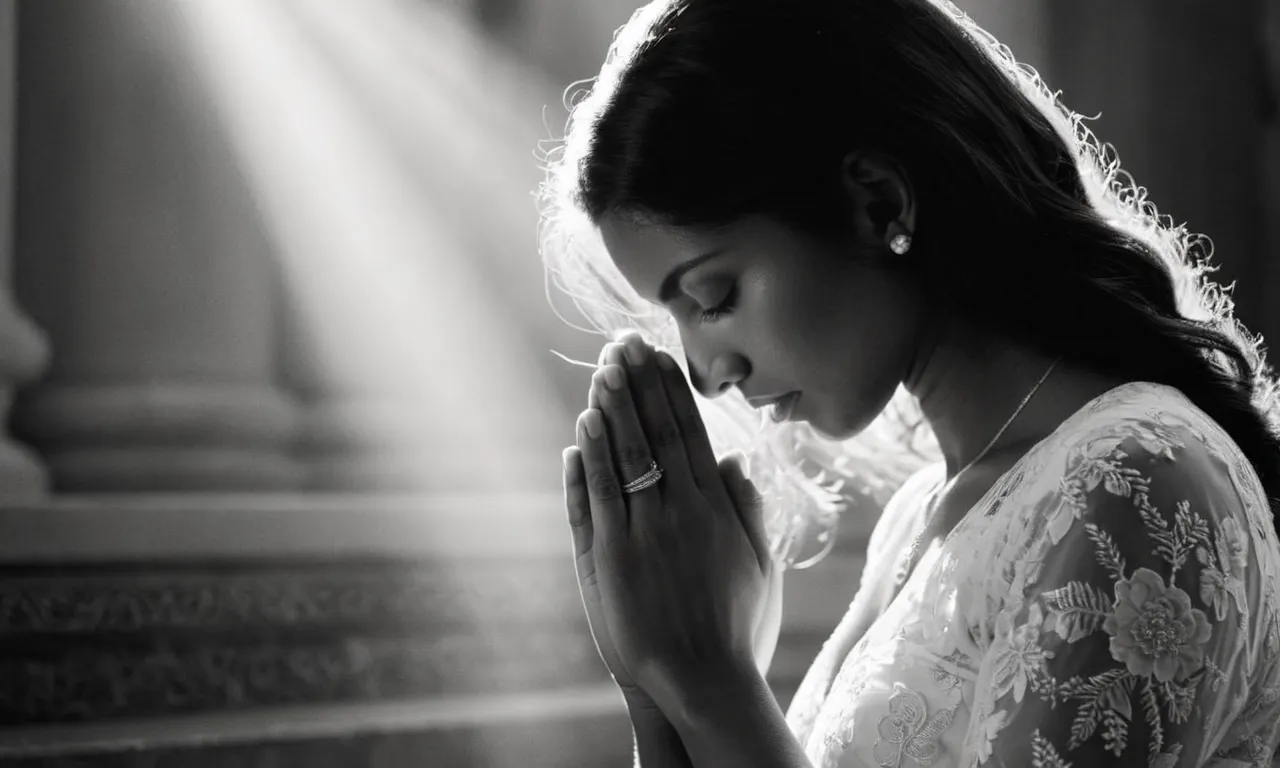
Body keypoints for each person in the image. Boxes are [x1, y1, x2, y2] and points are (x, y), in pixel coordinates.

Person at [538, 0, 1280, 765]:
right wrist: (658, 678)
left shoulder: (1133, 482)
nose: (707, 372)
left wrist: (714, 684)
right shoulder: (916, 522)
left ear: (877, 203)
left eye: (713, 298)